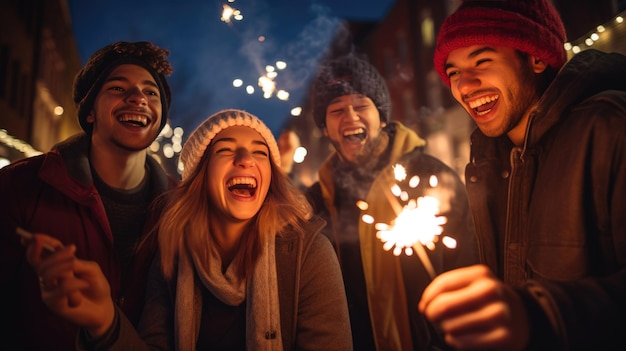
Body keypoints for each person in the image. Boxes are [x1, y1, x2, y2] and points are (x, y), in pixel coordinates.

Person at [31, 109, 353, 350]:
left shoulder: (309, 254)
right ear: (199, 175)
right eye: (226, 149)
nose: (245, 159)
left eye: (260, 152)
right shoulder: (172, 254)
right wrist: (104, 320)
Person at [418, 0, 626, 350]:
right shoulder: (487, 163)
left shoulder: (610, 127)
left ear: (536, 57)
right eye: (453, 73)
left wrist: (539, 316)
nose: (465, 86)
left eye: (482, 61)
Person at [0, 41, 178, 350]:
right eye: (118, 88)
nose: (137, 98)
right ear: (90, 111)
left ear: (159, 117)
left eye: (151, 92)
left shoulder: (181, 206)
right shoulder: (20, 186)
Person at [307, 54, 478, 350]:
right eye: (336, 110)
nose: (350, 117)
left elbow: (469, 273)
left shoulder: (432, 177)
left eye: (361, 105)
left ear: (382, 117)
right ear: (324, 127)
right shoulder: (315, 202)